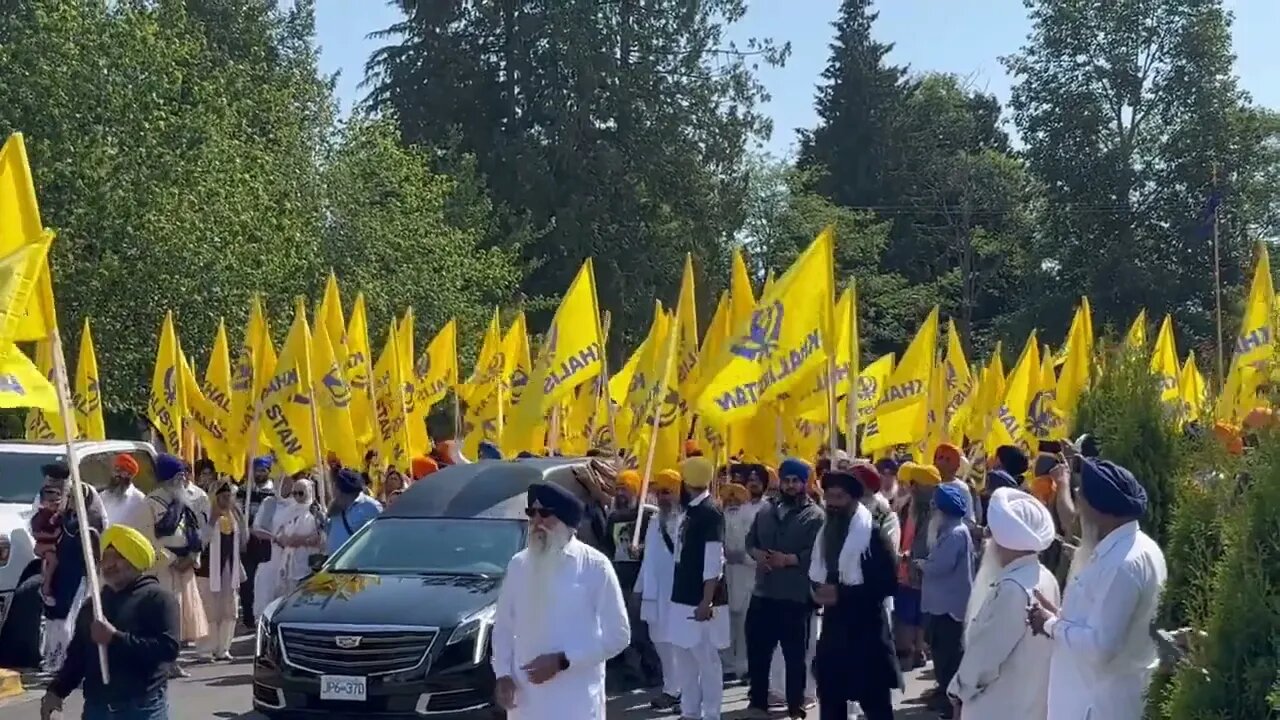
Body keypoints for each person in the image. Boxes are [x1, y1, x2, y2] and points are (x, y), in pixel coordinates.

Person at [1029, 459, 1168, 720]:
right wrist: (1060, 616)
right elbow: (1103, 620)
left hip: (1096, 705)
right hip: (1094, 698)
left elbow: (1101, 647)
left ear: (1103, 511)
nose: (1078, 501)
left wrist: (1050, 624)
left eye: (1083, 496)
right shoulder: (1131, 548)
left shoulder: (1122, 564)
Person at [490, 481, 630, 720]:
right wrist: (502, 674)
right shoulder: (519, 565)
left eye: (545, 514)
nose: (536, 522)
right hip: (526, 702)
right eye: (531, 513)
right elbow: (503, 626)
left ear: (567, 523)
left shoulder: (595, 566)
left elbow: (619, 635)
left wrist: (563, 660)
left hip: (575, 701)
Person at [42, 524, 180, 720]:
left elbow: (168, 649)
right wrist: (56, 691)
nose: (109, 564)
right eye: (105, 558)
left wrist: (115, 638)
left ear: (135, 559)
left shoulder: (157, 599)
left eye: (118, 557)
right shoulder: (93, 606)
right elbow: (77, 657)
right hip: (96, 709)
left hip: (141, 709)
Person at [949, 487, 1059, 720]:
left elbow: (984, 659)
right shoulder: (1046, 576)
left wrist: (958, 691)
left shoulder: (1012, 589)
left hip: (999, 707)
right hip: (1029, 704)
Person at [809, 470, 900, 720]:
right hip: (834, 632)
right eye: (829, 498)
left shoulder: (873, 535)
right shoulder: (824, 534)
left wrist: (842, 594)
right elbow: (815, 574)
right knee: (831, 706)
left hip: (866, 633)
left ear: (853, 500)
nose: (833, 504)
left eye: (839, 498)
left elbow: (888, 584)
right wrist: (815, 593)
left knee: (877, 707)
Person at [744, 457, 824, 720]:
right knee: (758, 652)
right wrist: (758, 555)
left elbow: (817, 552)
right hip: (763, 592)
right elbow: (750, 541)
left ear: (804, 484)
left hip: (793, 596)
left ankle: (795, 705)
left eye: (796, 482)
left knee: (794, 656)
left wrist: (788, 560)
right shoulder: (766, 510)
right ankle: (757, 703)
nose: (790, 486)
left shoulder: (814, 516)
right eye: (786, 481)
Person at [666, 457, 730, 720]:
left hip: (701, 598)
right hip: (681, 595)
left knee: (706, 660)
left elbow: (714, 558)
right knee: (684, 658)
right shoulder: (689, 511)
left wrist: (707, 600)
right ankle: (690, 711)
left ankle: (711, 714)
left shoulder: (710, 512)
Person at [140, 454, 208, 673]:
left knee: (180, 617)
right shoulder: (150, 503)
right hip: (164, 569)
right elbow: (146, 538)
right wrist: (170, 559)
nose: (183, 479)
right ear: (168, 478)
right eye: (179, 475)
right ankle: (161, 662)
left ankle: (173, 661)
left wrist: (191, 557)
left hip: (184, 567)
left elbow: (195, 532)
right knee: (164, 615)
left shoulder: (183, 501)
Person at [39, 464, 108, 674]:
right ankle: (53, 657)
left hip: (79, 568)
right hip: (58, 563)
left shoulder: (84, 497)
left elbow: (99, 527)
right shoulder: (54, 505)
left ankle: (70, 661)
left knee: (73, 613)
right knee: (54, 613)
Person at [918, 481, 974, 719]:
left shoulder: (955, 533)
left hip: (950, 607)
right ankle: (945, 695)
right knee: (942, 653)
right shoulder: (951, 531)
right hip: (943, 604)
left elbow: (940, 566)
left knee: (948, 656)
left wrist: (921, 565)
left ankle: (950, 703)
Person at [603, 469, 660, 689]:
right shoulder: (614, 518)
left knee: (641, 629)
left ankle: (653, 670)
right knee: (623, 627)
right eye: (618, 489)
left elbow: (657, 548)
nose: (620, 493)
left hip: (641, 579)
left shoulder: (647, 516)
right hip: (620, 578)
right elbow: (608, 545)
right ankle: (632, 672)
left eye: (624, 488)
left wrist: (643, 549)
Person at [635, 468, 683, 711]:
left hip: (680, 592)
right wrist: (640, 587)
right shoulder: (654, 521)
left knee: (679, 642)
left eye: (667, 492)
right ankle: (671, 688)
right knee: (659, 639)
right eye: (659, 492)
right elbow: (650, 558)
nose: (663, 497)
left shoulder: (687, 520)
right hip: (656, 591)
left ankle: (683, 691)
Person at [196, 481, 246, 662]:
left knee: (229, 608)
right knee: (209, 609)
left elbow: (242, 541)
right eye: (223, 497)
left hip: (229, 568)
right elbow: (200, 541)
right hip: (208, 569)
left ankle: (223, 648)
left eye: (229, 496)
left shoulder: (233, 515)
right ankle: (205, 650)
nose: (226, 500)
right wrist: (212, 520)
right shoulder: (204, 514)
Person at [720, 479, 759, 683]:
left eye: (737, 497)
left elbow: (756, 546)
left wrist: (743, 557)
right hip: (724, 576)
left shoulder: (752, 518)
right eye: (729, 497)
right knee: (725, 622)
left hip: (747, 575)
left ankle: (744, 666)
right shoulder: (719, 518)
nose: (732, 501)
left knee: (745, 622)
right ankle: (727, 665)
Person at [238, 455, 276, 626]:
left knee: (265, 582)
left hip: (267, 543)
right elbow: (238, 513)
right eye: (256, 470)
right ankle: (248, 618)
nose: (258, 474)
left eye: (262, 470)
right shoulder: (243, 491)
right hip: (248, 541)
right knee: (247, 581)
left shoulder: (274, 493)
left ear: (268, 471)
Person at [275, 478, 326, 596]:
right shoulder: (289, 511)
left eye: (301, 493)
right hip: (288, 566)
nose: (297, 496)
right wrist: (284, 540)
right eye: (294, 493)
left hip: (306, 566)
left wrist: (300, 540)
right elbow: (278, 533)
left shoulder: (317, 512)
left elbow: (321, 538)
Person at [326, 468, 382, 554]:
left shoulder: (371, 507)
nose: (334, 492)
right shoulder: (335, 509)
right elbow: (330, 532)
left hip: (358, 564)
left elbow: (379, 538)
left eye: (336, 488)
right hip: (334, 565)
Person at [933, 444, 978, 524]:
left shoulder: (961, 489)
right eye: (940, 458)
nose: (943, 462)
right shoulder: (927, 484)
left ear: (957, 466)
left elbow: (969, 520)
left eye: (948, 459)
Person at [100, 454, 147, 528]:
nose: (116, 474)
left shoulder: (139, 499)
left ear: (129, 475)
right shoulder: (103, 496)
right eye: (115, 470)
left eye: (121, 471)